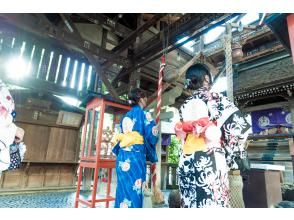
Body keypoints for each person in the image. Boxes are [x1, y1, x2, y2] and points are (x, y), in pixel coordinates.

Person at [175, 63, 251, 208]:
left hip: (186, 159)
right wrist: (235, 154)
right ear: (206, 78)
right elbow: (239, 130)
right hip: (209, 159)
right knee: (212, 202)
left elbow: (184, 133)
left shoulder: (184, 104)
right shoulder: (216, 98)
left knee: (190, 203)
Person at [112, 88, 159, 208]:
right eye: (145, 98)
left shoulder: (126, 116)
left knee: (122, 190)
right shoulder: (144, 114)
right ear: (141, 99)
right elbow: (152, 136)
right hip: (135, 157)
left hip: (123, 157)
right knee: (134, 192)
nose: (146, 100)